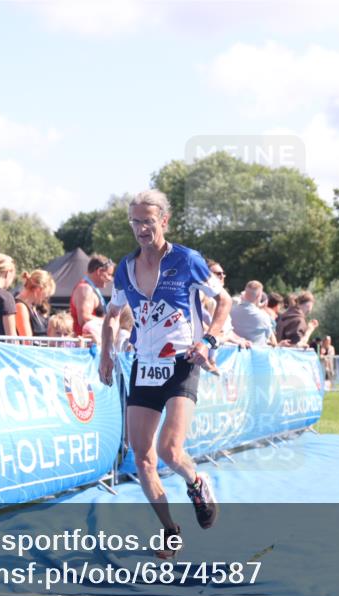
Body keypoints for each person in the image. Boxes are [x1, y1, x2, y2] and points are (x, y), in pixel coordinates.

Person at [98, 189, 228, 558]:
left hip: (182, 360)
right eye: (135, 222)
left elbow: (224, 300)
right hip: (144, 363)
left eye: (148, 221)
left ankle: (197, 482)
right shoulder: (125, 266)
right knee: (141, 456)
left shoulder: (187, 260)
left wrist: (210, 340)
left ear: (164, 221)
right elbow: (112, 313)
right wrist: (106, 354)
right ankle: (171, 529)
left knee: (170, 450)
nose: (141, 228)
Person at [71, 254, 115, 337]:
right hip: (85, 345)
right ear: (99, 271)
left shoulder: (90, 288)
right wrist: (109, 321)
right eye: (109, 274)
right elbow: (84, 319)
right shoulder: (85, 289)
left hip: (91, 343)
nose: (110, 279)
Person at [231, 280, 276, 346]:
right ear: (258, 296)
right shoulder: (264, 316)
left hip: (234, 354)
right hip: (256, 355)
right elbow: (272, 341)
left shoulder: (231, 312)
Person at [16, 269, 56, 339]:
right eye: (46, 295)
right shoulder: (20, 307)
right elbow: (27, 340)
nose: (46, 299)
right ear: (39, 290)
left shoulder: (33, 307)